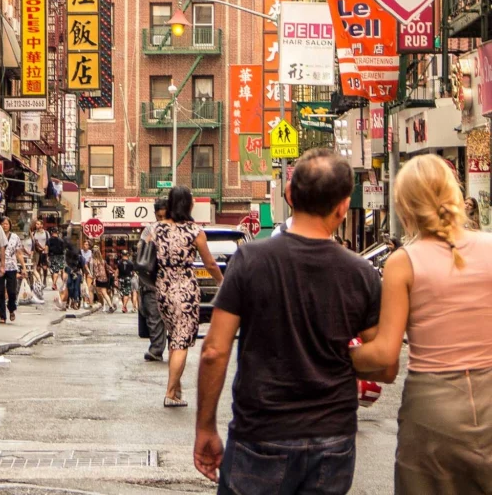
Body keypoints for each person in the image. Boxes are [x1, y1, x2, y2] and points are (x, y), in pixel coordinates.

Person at [195, 149, 396, 492]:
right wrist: (336, 355)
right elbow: (382, 363)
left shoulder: (250, 260)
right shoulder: (360, 274)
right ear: (343, 206)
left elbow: (214, 351)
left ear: (290, 196)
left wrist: (205, 427)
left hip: (260, 433)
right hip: (332, 439)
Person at [351, 155, 492, 492]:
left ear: (405, 208)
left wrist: (334, 355)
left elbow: (385, 355)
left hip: (432, 411)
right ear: (455, 195)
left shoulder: (404, 262)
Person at [153, 186, 223, 407]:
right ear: (189, 205)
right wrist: (222, 281)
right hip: (184, 288)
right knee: (182, 341)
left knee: (174, 338)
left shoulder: (155, 228)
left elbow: (144, 255)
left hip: (162, 288)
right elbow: (210, 263)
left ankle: (177, 388)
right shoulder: (194, 231)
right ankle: (170, 392)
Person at [137, 198, 168, 362]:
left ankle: (175, 347)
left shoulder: (175, 230)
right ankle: (156, 349)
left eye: (164, 216)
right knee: (154, 316)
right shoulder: (149, 230)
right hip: (151, 281)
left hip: (171, 280)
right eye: (159, 216)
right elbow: (141, 253)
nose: (161, 220)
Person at [0, 219, 23, 323]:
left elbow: (19, 253)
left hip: (12, 267)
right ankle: (2, 316)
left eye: (6, 224)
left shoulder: (15, 237)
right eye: (2, 224)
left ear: (10, 225)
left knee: (12, 291)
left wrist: (23, 267)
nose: (5, 226)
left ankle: (11, 309)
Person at [90, 246, 112, 310]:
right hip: (104, 278)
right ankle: (110, 306)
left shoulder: (93, 261)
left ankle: (103, 305)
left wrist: (94, 279)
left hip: (98, 279)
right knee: (104, 293)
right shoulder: (103, 261)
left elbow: (94, 271)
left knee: (96, 292)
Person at [64, 242, 84, 310]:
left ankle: (75, 301)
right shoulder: (68, 254)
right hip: (70, 272)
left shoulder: (79, 255)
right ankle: (70, 301)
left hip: (77, 272)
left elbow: (82, 264)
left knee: (76, 288)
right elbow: (66, 264)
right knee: (70, 287)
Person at [116, 249, 135, 313]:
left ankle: (124, 306)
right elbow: (133, 272)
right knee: (126, 293)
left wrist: (115, 279)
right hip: (128, 278)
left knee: (122, 293)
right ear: (127, 255)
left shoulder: (119, 262)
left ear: (121, 255)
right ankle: (124, 306)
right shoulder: (131, 263)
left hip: (121, 278)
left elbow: (117, 271)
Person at [31, 219, 49, 285]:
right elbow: (33, 243)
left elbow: (48, 242)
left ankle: (44, 278)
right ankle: (40, 280)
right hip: (37, 252)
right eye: (36, 224)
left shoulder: (46, 233)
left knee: (44, 267)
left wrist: (45, 249)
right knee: (38, 268)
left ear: (42, 225)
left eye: (39, 224)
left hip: (44, 252)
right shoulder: (34, 233)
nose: (37, 225)